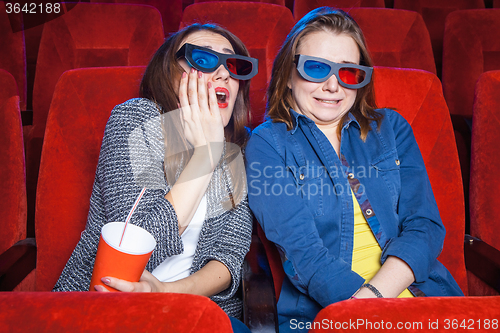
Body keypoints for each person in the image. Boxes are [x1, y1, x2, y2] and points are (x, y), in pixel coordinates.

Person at [245, 7, 463, 333]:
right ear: (288, 76)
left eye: (348, 73)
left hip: (425, 299)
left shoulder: (393, 128)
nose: (333, 86)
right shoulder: (267, 144)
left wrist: (377, 297)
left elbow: (425, 227)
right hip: (333, 314)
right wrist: (368, 314)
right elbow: (306, 257)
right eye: (316, 68)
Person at [53, 23, 256, 332]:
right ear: (168, 72)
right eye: (202, 59)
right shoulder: (136, 119)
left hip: (198, 313)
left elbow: (228, 259)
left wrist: (165, 292)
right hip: (110, 307)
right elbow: (132, 248)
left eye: (233, 64)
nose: (224, 73)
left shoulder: (238, 152)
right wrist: (205, 156)